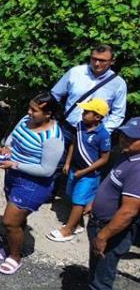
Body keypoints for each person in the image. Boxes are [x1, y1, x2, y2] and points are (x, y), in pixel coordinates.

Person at [0, 92, 64, 275]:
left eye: (34, 110)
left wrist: (15, 164)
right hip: (13, 176)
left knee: (10, 221)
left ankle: (15, 257)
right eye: (29, 107)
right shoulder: (26, 120)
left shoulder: (53, 137)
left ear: (48, 114)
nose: (29, 112)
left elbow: (47, 170)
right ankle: (8, 247)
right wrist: (5, 148)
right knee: (17, 221)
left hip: (33, 184)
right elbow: (12, 139)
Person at [86, 117, 140, 290]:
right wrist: (94, 202)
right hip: (99, 224)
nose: (124, 139)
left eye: (131, 137)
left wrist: (103, 236)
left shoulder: (138, 169)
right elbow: (111, 183)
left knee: (101, 281)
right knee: (95, 270)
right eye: (123, 134)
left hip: (111, 231)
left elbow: (128, 212)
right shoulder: (125, 155)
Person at [47, 98, 110, 242]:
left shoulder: (103, 135)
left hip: (88, 175)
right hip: (74, 169)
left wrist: (84, 171)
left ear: (97, 117)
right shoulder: (80, 125)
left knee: (78, 201)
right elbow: (73, 145)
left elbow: (104, 159)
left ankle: (68, 230)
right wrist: (68, 162)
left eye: (87, 112)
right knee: (71, 194)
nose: (83, 113)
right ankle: (78, 223)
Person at [51, 44, 127, 135]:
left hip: (94, 134)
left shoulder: (118, 83)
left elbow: (118, 114)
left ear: (112, 61)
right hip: (67, 129)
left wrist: (103, 132)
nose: (97, 63)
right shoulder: (76, 72)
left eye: (102, 60)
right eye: (94, 59)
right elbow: (55, 95)